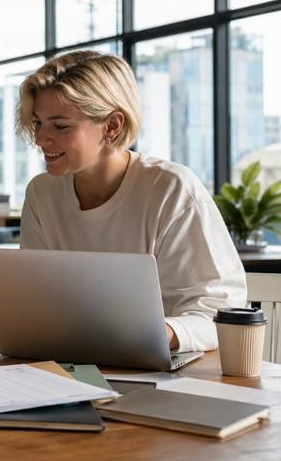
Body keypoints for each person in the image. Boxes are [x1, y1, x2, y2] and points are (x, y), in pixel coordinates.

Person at [15, 50, 246, 353]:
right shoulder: (41, 193)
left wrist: (158, 334)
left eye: (60, 126)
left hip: (171, 372)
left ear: (111, 126)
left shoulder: (172, 189)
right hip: (75, 360)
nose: (42, 139)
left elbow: (221, 311)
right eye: (38, 123)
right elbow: (36, 298)